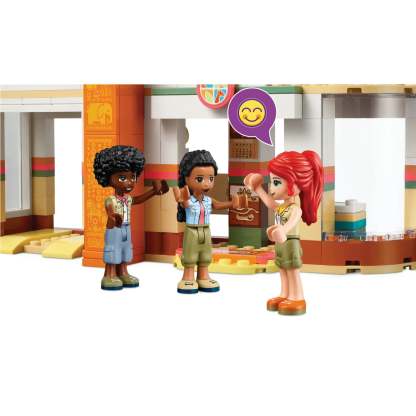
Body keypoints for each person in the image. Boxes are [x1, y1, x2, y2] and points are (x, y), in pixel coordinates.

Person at [244, 151, 323, 315]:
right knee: (282, 269)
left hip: (291, 243)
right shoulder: (282, 207)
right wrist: (258, 188)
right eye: (272, 182)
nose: (272, 188)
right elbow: (270, 203)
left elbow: (291, 223)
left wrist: (283, 230)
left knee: (292, 270)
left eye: (276, 182)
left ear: (293, 185)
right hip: (280, 243)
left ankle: (297, 297)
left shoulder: (295, 209)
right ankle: (285, 294)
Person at [94, 145, 169, 290]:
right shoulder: (111, 199)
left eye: (133, 177)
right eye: (123, 178)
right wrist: (113, 217)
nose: (129, 182)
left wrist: (154, 192)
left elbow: (139, 199)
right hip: (114, 229)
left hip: (126, 228)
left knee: (125, 250)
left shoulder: (128, 199)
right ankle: (109, 275)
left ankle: (123, 272)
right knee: (113, 250)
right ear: (109, 178)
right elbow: (110, 211)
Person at [173, 150, 242, 294]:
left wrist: (232, 204)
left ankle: (203, 276)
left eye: (210, 178)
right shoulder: (188, 200)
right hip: (192, 230)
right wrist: (181, 196)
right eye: (200, 179)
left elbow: (219, 205)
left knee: (205, 254)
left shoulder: (208, 200)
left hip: (206, 230)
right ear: (186, 179)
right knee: (190, 255)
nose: (207, 183)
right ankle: (188, 277)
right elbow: (183, 202)